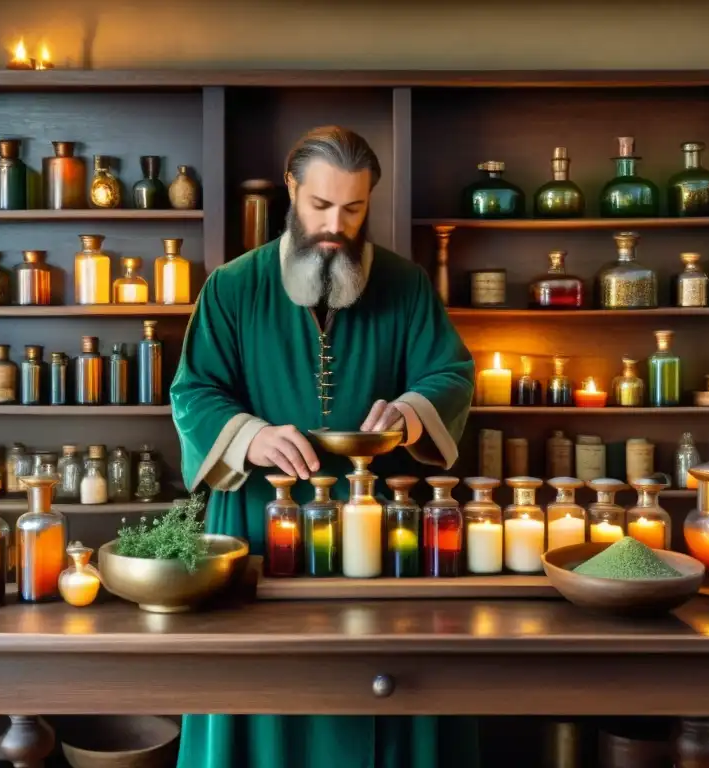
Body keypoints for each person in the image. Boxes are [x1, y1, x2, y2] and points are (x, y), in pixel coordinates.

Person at [170, 125, 477, 768]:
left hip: (384, 529)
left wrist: (412, 413)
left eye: (354, 208)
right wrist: (250, 436)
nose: (336, 224)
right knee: (263, 704)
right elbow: (194, 390)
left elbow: (449, 374)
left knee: (388, 691)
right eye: (320, 206)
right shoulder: (232, 286)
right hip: (257, 528)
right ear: (292, 190)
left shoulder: (407, 285)